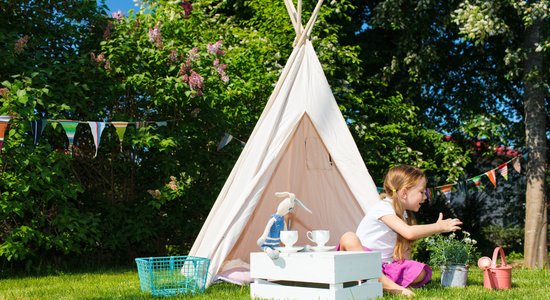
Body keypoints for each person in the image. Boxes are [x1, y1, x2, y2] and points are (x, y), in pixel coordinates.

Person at [339, 165, 462, 296]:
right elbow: (409, 232)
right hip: (361, 264)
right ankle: (389, 286)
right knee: (349, 237)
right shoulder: (384, 208)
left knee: (421, 272)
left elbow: (404, 249)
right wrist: (438, 227)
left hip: (384, 267)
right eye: (421, 192)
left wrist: (408, 267)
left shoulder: (403, 215)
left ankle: (379, 282)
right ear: (404, 193)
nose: (425, 197)